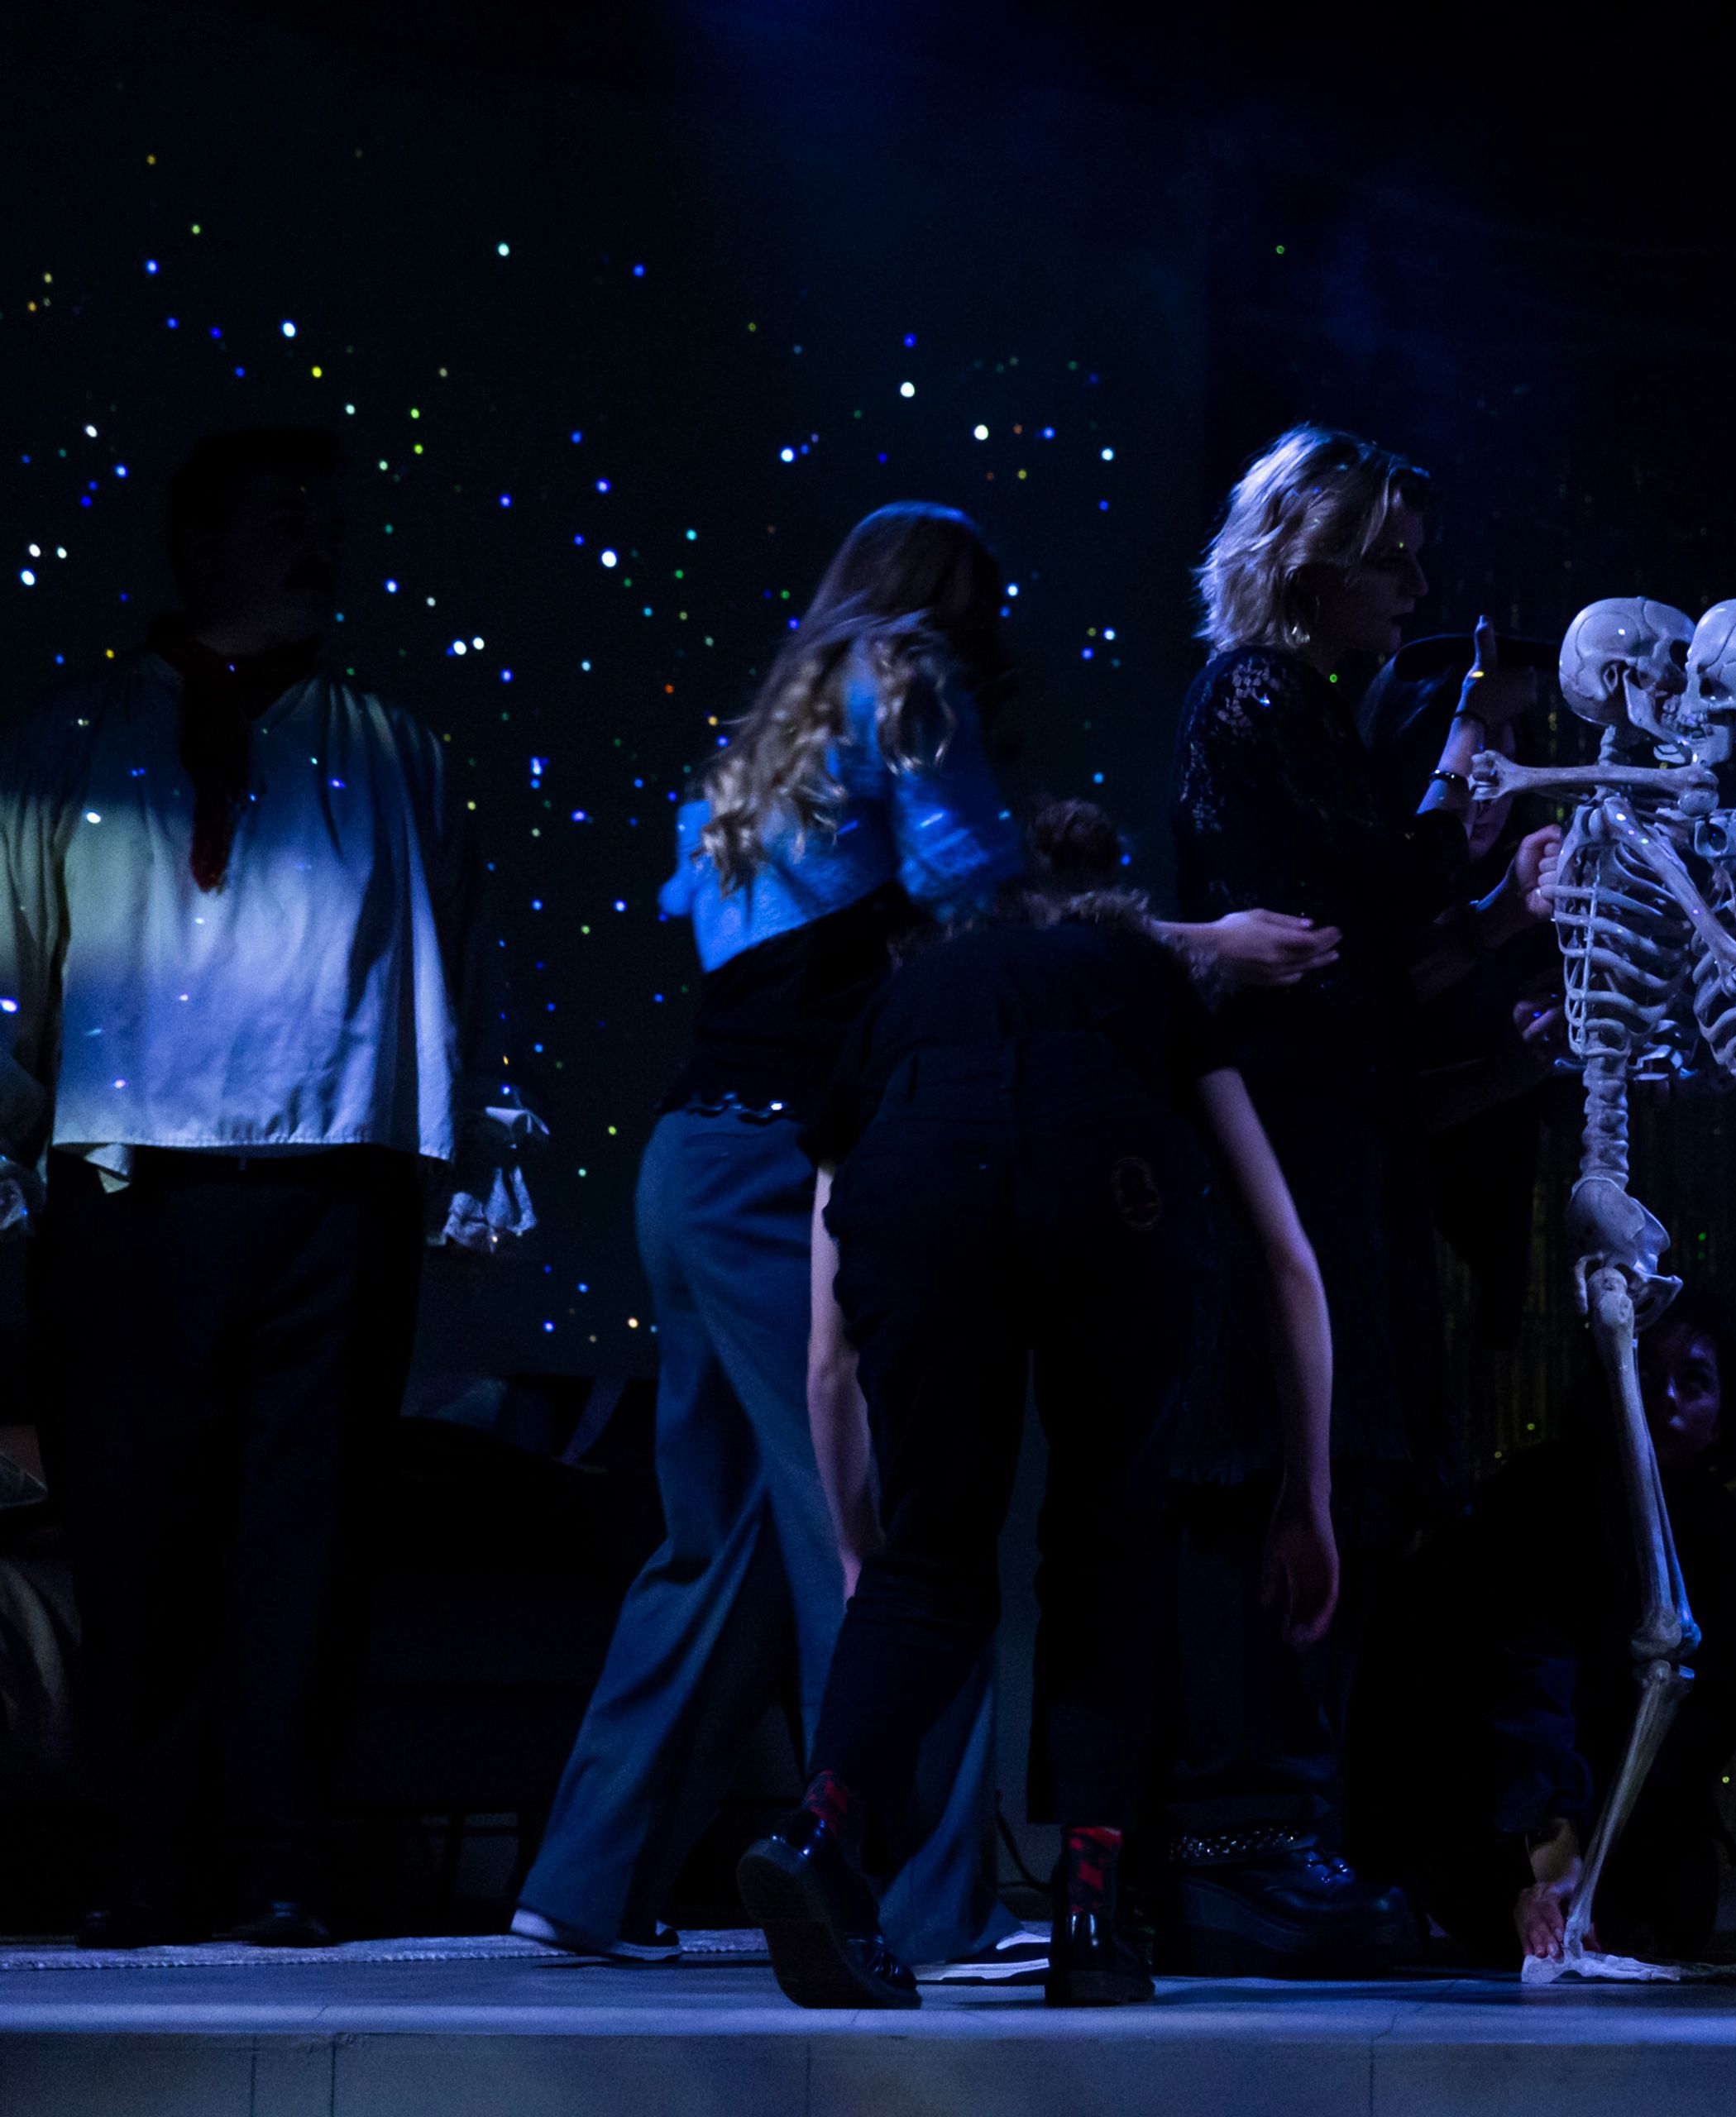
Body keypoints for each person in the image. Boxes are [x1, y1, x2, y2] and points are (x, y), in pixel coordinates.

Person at [0, 426, 534, 1947]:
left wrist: (456, 1161)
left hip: (329, 1188)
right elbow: (8, 965)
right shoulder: (76, 738)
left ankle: (286, 1850)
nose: (317, 542)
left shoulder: (393, 746)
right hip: (128, 1185)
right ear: (203, 544)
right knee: (136, 1533)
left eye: (327, 518)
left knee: (306, 1536)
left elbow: (464, 968)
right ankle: (149, 1853)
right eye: (280, 519)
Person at [514, 504, 1030, 1975]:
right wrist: (1179, 947)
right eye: (987, 597)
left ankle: (588, 1876)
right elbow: (978, 890)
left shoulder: (767, 737)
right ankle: (929, 1902)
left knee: (725, 1534)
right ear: (946, 598)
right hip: (785, 1168)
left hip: (691, 1159)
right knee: (886, 1527)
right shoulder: (912, 674)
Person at [735, 800, 1340, 2009]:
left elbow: (826, 1350)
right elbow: (1286, 1255)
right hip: (1105, 1169)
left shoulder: (898, 998)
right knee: (1108, 1543)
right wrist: (1305, 1495)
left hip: (918, 1177)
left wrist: (863, 1546)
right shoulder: (1136, 968)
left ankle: (816, 1836)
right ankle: (1090, 1913)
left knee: (930, 1565)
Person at [1155, 426, 1562, 1972]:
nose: (1415, 588)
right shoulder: (1259, 698)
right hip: (1285, 1139)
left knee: (1335, 1466)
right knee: (1277, 1455)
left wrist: (1478, 903)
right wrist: (1463, 850)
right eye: (1389, 559)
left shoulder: (1303, 708)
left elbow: (1370, 934)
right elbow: (1334, 916)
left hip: (1334, 1129)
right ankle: (1244, 1843)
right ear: (1309, 564)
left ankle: (1283, 1833)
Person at [1346, 1290, 1736, 1968]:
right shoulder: (1535, 1500)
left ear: (1724, 1416)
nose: (1665, 1396)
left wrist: (1609, 1849)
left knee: (1671, 1911)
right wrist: (1553, 1857)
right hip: (1495, 1795)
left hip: (1637, 1816)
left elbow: (1705, 1726)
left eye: (1694, 1382)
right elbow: (1522, 1676)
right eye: (1644, 1369)